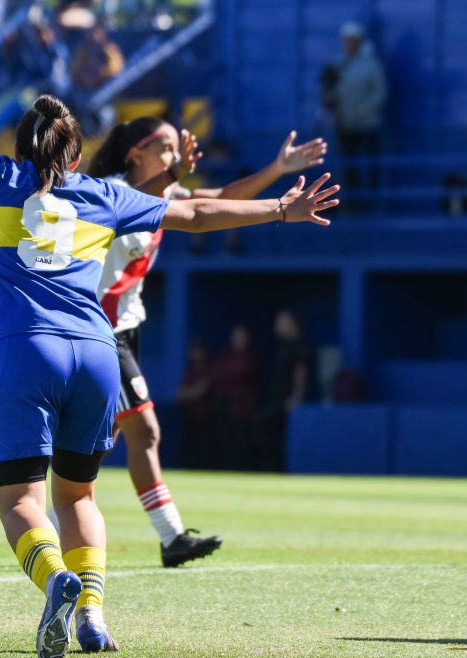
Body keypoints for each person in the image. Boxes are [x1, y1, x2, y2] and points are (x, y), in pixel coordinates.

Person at [0, 53, 338, 658]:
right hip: (99, 352)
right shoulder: (107, 193)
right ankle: (94, 617)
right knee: (80, 497)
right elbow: (197, 213)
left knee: (22, 501)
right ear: (75, 154)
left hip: (25, 352)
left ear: (22, 148)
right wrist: (282, 209)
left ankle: (56, 581)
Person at [86, 115, 326, 565]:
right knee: (144, 430)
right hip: (100, 330)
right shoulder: (109, 190)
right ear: (135, 152)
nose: (175, 156)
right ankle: (168, 536)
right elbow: (138, 202)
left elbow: (218, 202)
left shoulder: (166, 190)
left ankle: (63, 521)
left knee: (100, 441)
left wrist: (276, 170)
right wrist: (174, 178)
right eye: (165, 147)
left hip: (124, 328)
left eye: (177, 149)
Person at [331, 21, 387, 204]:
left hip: (367, 124)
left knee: (371, 164)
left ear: (359, 41)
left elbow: (380, 91)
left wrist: (364, 110)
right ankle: (352, 203)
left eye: (351, 40)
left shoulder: (371, 64)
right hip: (345, 125)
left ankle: (375, 202)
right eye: (345, 40)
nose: (348, 44)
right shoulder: (340, 64)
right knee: (349, 166)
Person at [256, 310, 316, 472]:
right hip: (276, 397)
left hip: (286, 399)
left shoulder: (300, 344)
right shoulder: (284, 345)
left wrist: (297, 395)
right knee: (269, 431)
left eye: (280, 322)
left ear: (291, 322)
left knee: (263, 425)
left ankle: (275, 470)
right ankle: (271, 469)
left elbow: (300, 370)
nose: (277, 326)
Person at [213, 324, 261, 471]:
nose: (237, 340)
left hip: (245, 411)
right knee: (225, 443)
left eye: (241, 337)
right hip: (225, 410)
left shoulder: (251, 358)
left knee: (242, 445)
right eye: (235, 337)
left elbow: (235, 374)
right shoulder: (226, 357)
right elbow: (216, 375)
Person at [175, 338, 219, 469]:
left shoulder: (209, 369)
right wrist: (189, 393)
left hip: (206, 421)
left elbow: (202, 390)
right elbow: (179, 394)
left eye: (198, 351)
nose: (195, 354)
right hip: (190, 420)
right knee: (190, 454)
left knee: (205, 455)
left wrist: (189, 393)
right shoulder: (190, 371)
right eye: (193, 351)